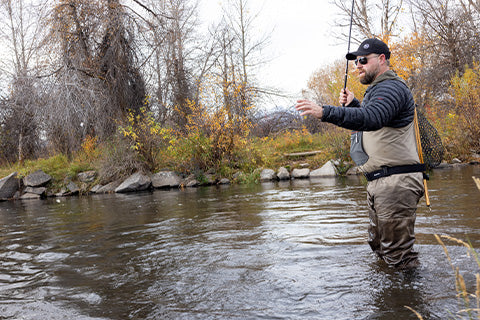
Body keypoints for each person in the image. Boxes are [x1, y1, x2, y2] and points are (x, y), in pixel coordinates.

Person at [295, 38, 425, 269]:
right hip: (382, 182)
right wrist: (355, 103)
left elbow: (373, 119)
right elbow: (376, 119)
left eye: (363, 60)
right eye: (356, 62)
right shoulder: (378, 90)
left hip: (396, 182)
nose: (358, 66)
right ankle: (391, 300)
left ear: (382, 59)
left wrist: (324, 111)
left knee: (398, 256)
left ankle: (407, 302)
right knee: (380, 248)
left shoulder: (391, 87)